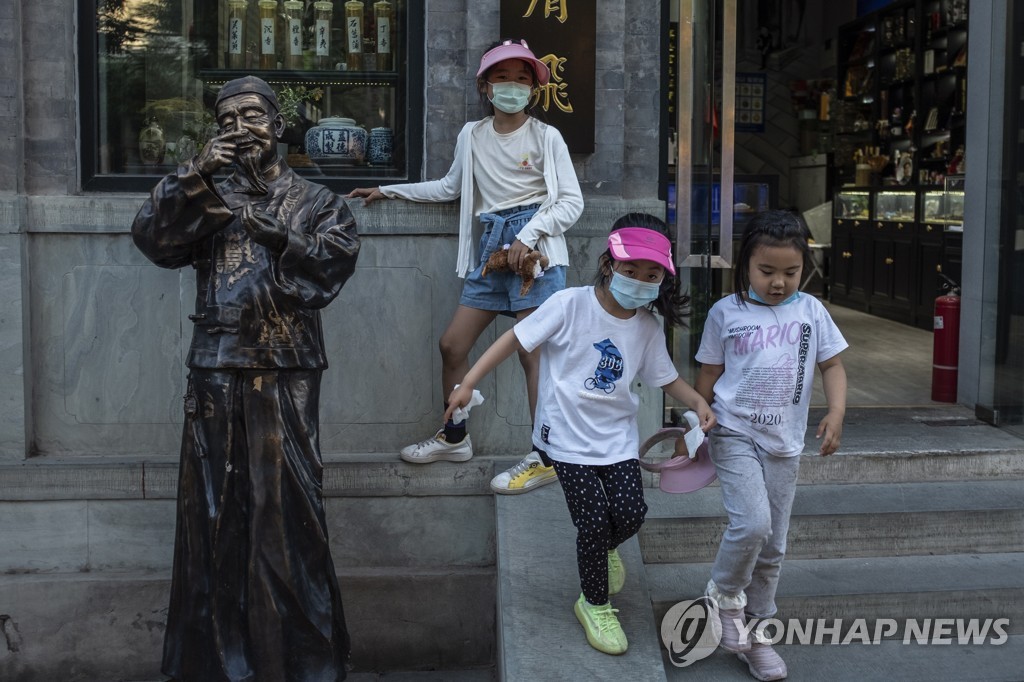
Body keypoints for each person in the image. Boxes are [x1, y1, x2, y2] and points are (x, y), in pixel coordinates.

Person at [131, 76, 359, 682]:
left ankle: (301, 666)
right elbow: (153, 240)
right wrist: (192, 173)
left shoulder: (316, 201)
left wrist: (281, 235)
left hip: (286, 369)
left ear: (278, 125)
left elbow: (332, 267)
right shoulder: (207, 194)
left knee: (288, 517)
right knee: (212, 516)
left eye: (253, 116)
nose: (240, 130)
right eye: (227, 121)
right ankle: (215, 666)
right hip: (214, 369)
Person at [445, 214, 715, 655]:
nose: (640, 281)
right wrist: (469, 381)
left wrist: (698, 402)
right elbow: (513, 339)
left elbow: (665, 377)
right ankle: (594, 604)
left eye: (652, 275)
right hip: (565, 439)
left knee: (630, 514)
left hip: (616, 441)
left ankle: (602, 549)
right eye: (631, 271)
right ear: (609, 265)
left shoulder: (647, 327)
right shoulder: (569, 304)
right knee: (591, 520)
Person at [347, 39, 583, 495]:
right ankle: (455, 437)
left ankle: (545, 454)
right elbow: (450, 187)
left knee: (534, 355)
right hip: (490, 248)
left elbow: (571, 202)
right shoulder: (472, 135)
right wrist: (390, 190)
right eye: (503, 78)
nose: (512, 86)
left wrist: (527, 234)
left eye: (522, 79)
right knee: (452, 344)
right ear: (485, 85)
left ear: (533, 88)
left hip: (534, 252)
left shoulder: (546, 137)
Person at [694, 209, 848, 681]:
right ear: (745, 265)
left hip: (785, 443)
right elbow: (709, 374)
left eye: (790, 272)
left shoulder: (811, 311)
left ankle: (757, 638)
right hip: (735, 432)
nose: (778, 282)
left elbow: (833, 367)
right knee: (753, 524)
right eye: (766, 271)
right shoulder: (725, 312)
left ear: (805, 267)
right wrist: (696, 423)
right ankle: (723, 597)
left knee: (774, 546)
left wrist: (837, 412)